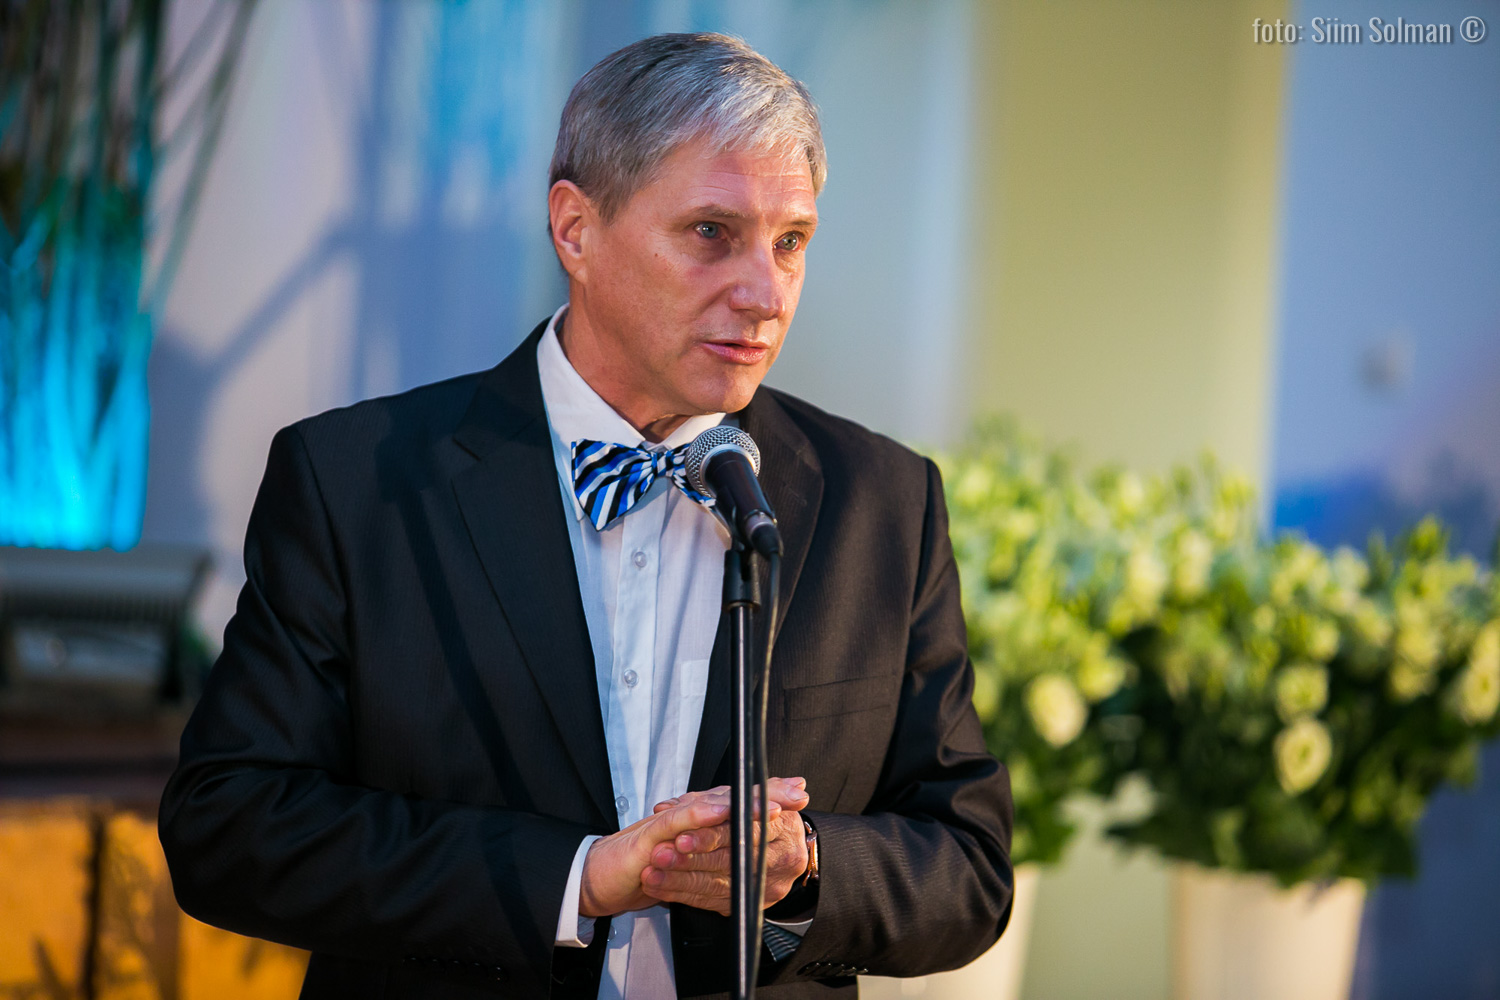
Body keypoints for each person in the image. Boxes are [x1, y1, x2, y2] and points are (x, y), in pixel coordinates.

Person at [159, 32, 1012, 999]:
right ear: (575, 229)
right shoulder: (356, 483)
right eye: (711, 233)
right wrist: (576, 878)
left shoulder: (885, 501)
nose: (765, 294)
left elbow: (971, 866)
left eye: (790, 241)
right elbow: (230, 826)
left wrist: (809, 866)